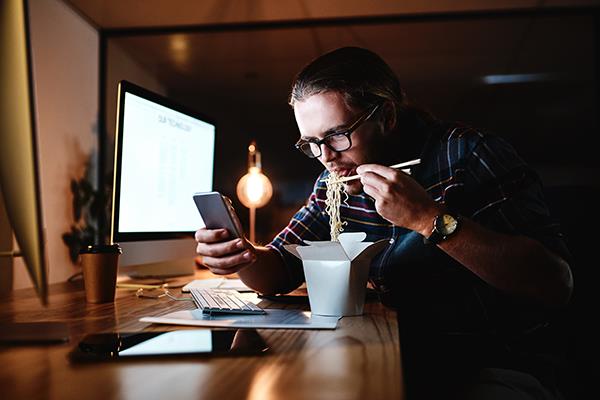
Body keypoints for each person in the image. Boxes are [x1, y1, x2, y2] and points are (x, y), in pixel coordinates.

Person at [194, 47, 573, 399]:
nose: (324, 157)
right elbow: (279, 270)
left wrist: (428, 218)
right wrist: (242, 256)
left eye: (337, 136)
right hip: (392, 351)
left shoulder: (470, 155)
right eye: (310, 142)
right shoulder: (335, 181)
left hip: (490, 361)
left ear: (387, 117)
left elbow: (554, 284)